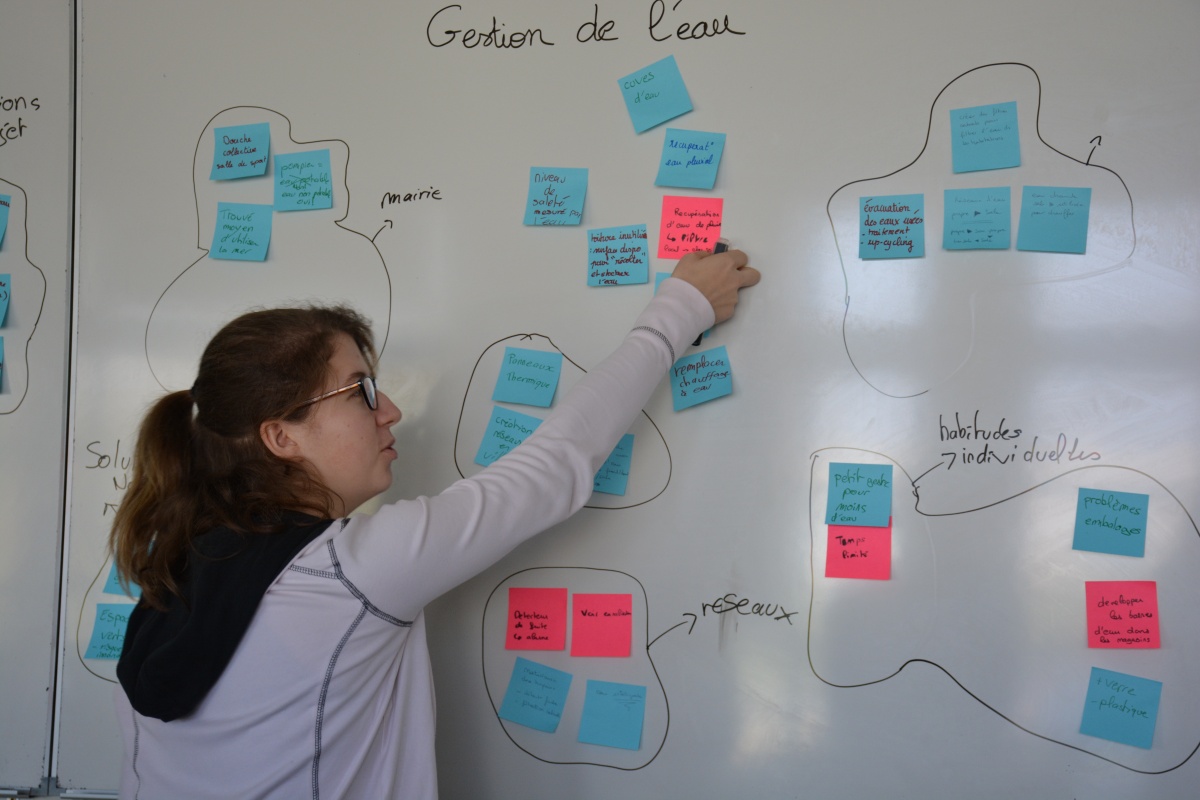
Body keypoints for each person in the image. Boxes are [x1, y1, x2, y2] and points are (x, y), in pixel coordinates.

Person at [111, 247, 760, 799]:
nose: (390, 410)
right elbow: (555, 465)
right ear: (281, 436)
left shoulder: (175, 570)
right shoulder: (349, 572)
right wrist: (681, 308)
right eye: (361, 391)